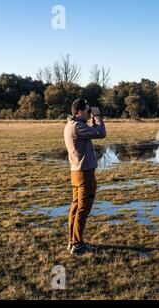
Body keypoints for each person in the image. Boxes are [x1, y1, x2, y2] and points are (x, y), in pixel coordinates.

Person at [64, 99, 106, 256]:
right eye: (88, 111)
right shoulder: (78, 126)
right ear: (79, 112)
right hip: (84, 173)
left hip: (76, 172)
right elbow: (101, 133)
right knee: (83, 208)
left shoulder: (71, 124)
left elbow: (93, 131)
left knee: (76, 207)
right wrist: (98, 116)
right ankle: (77, 245)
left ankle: (73, 240)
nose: (89, 114)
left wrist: (92, 119)